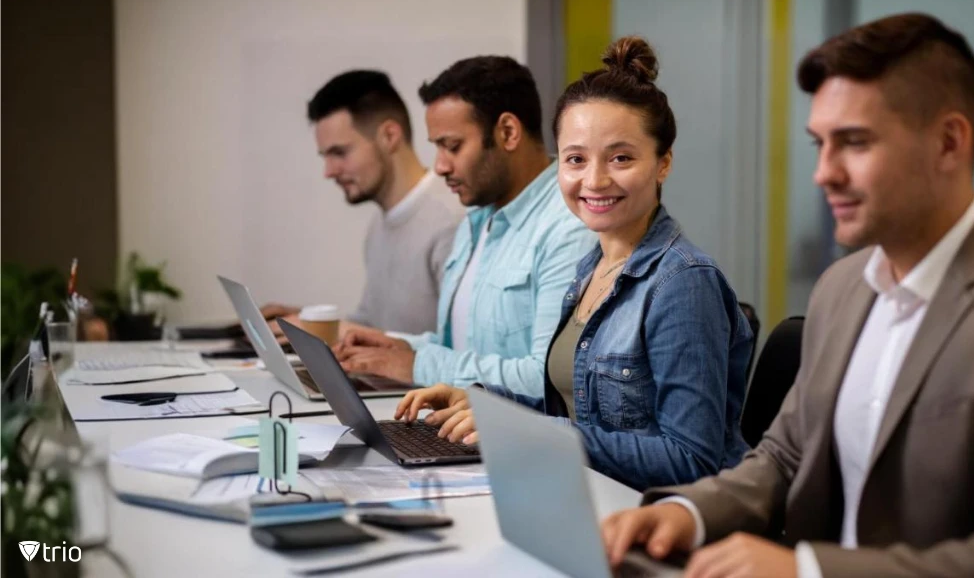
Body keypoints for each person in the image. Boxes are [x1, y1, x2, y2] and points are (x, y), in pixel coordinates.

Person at [602, 13, 974, 577]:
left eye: (854, 143)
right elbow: (784, 456)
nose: (823, 173)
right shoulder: (843, 287)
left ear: (949, 143)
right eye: (819, 144)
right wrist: (686, 513)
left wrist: (807, 571)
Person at [390, 37, 754, 492]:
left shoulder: (682, 282)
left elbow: (690, 460)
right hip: (580, 497)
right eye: (576, 159)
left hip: (650, 523)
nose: (594, 180)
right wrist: (486, 404)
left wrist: (542, 435)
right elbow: (578, 409)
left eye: (621, 158)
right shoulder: (591, 269)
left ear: (663, 164)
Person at [333, 57, 595, 397]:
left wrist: (415, 365)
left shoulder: (568, 227)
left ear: (508, 133)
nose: (440, 166)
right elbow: (459, 348)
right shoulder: (477, 219)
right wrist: (393, 346)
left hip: (512, 439)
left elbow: (546, 378)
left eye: (452, 146)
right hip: (459, 425)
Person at [262, 70, 464, 335]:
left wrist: (338, 331)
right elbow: (375, 326)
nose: (329, 171)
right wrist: (310, 322)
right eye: (326, 156)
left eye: (340, 153)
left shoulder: (452, 222)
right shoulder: (379, 226)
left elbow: (460, 351)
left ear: (389, 136)